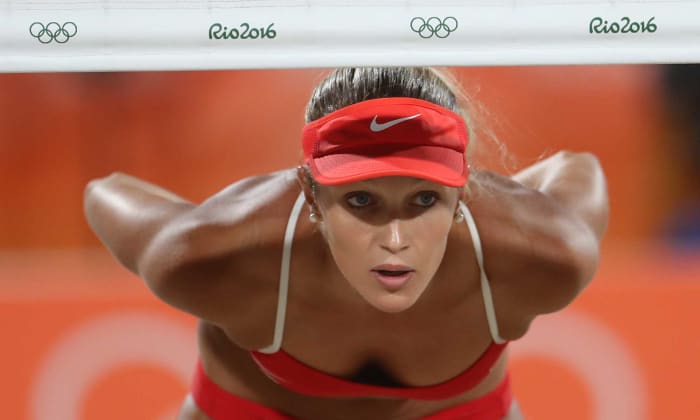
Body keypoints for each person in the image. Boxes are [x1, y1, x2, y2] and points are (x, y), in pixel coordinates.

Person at [84, 67, 609, 420]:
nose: (396, 241)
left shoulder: (547, 252)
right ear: (311, 195)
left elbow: (577, 166)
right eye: (362, 203)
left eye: (424, 200)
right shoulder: (215, 254)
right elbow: (104, 191)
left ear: (463, 192)